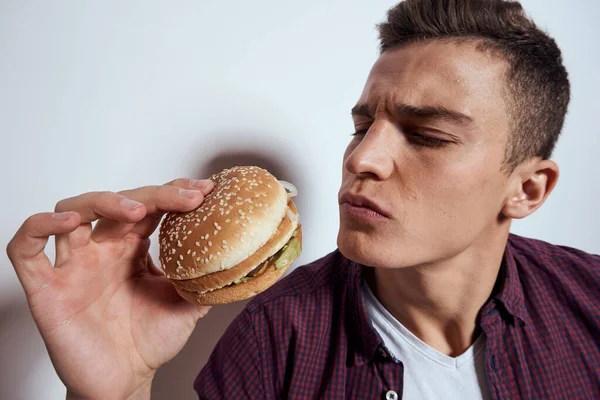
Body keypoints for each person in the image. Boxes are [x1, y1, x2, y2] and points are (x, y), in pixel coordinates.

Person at [6, 0, 600, 399]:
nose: (361, 158)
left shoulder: (589, 305)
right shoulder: (271, 338)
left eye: (427, 136)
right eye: (362, 125)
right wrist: (119, 389)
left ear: (527, 190)